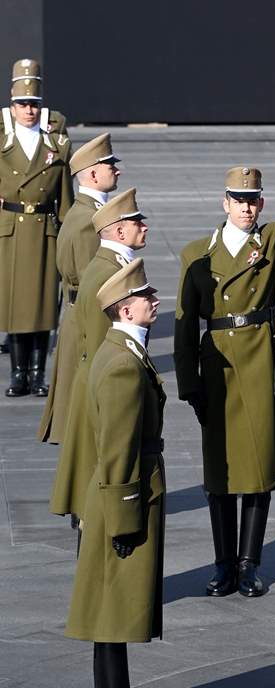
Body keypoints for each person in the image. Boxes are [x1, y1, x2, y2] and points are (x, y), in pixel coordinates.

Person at [174, 162, 275, 597]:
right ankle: (223, 563)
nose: (246, 207)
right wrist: (189, 384)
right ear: (225, 203)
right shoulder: (197, 254)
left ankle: (248, 563)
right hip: (219, 364)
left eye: (253, 199)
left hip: (261, 362)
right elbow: (185, 325)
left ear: (262, 203)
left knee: (258, 469)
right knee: (219, 471)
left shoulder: (274, 242)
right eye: (239, 200)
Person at [64, 259, 164, 688]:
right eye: (145, 297)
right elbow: (119, 449)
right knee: (113, 616)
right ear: (125, 309)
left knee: (108, 617)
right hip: (122, 499)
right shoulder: (125, 366)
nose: (154, 301)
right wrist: (125, 522)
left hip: (106, 495)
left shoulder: (116, 351)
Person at [51, 188, 149, 523]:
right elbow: (99, 344)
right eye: (138, 222)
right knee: (94, 500)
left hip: (97, 382)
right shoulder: (108, 275)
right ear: (120, 231)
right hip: (102, 390)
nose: (145, 226)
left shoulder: (111, 267)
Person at [38, 132, 121, 445]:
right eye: (110, 165)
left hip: (80, 321)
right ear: (94, 173)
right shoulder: (89, 220)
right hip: (89, 327)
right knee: (88, 429)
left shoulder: (88, 213)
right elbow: (94, 285)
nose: (117, 170)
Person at [0, 61, 73, 398]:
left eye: (33, 104)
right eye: (22, 104)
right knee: (15, 305)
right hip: (11, 229)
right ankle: (18, 374)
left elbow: (65, 198)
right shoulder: (3, 140)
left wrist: (69, 237)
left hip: (44, 229)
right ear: (12, 106)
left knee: (44, 305)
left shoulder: (56, 143)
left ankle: (37, 372)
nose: (28, 110)